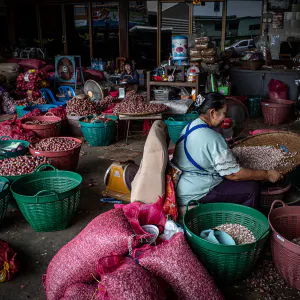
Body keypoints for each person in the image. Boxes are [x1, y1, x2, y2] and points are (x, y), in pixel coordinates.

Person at [172, 92, 282, 212]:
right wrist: (267, 174)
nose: (226, 117)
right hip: (196, 191)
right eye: (224, 113)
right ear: (212, 112)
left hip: (184, 184)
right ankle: (243, 222)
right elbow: (234, 175)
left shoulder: (191, 125)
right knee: (252, 188)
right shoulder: (212, 137)